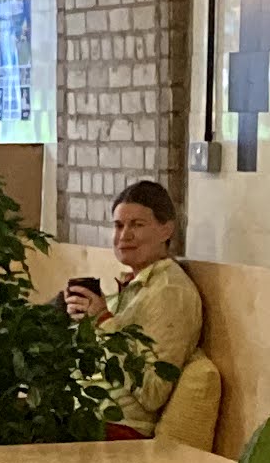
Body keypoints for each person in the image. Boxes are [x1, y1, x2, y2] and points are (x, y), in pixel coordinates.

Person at [61, 178, 200, 434]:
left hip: (117, 427)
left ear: (166, 230)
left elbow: (153, 392)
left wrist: (103, 321)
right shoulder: (132, 286)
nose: (124, 235)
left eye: (137, 225)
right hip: (80, 413)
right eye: (118, 225)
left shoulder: (169, 291)